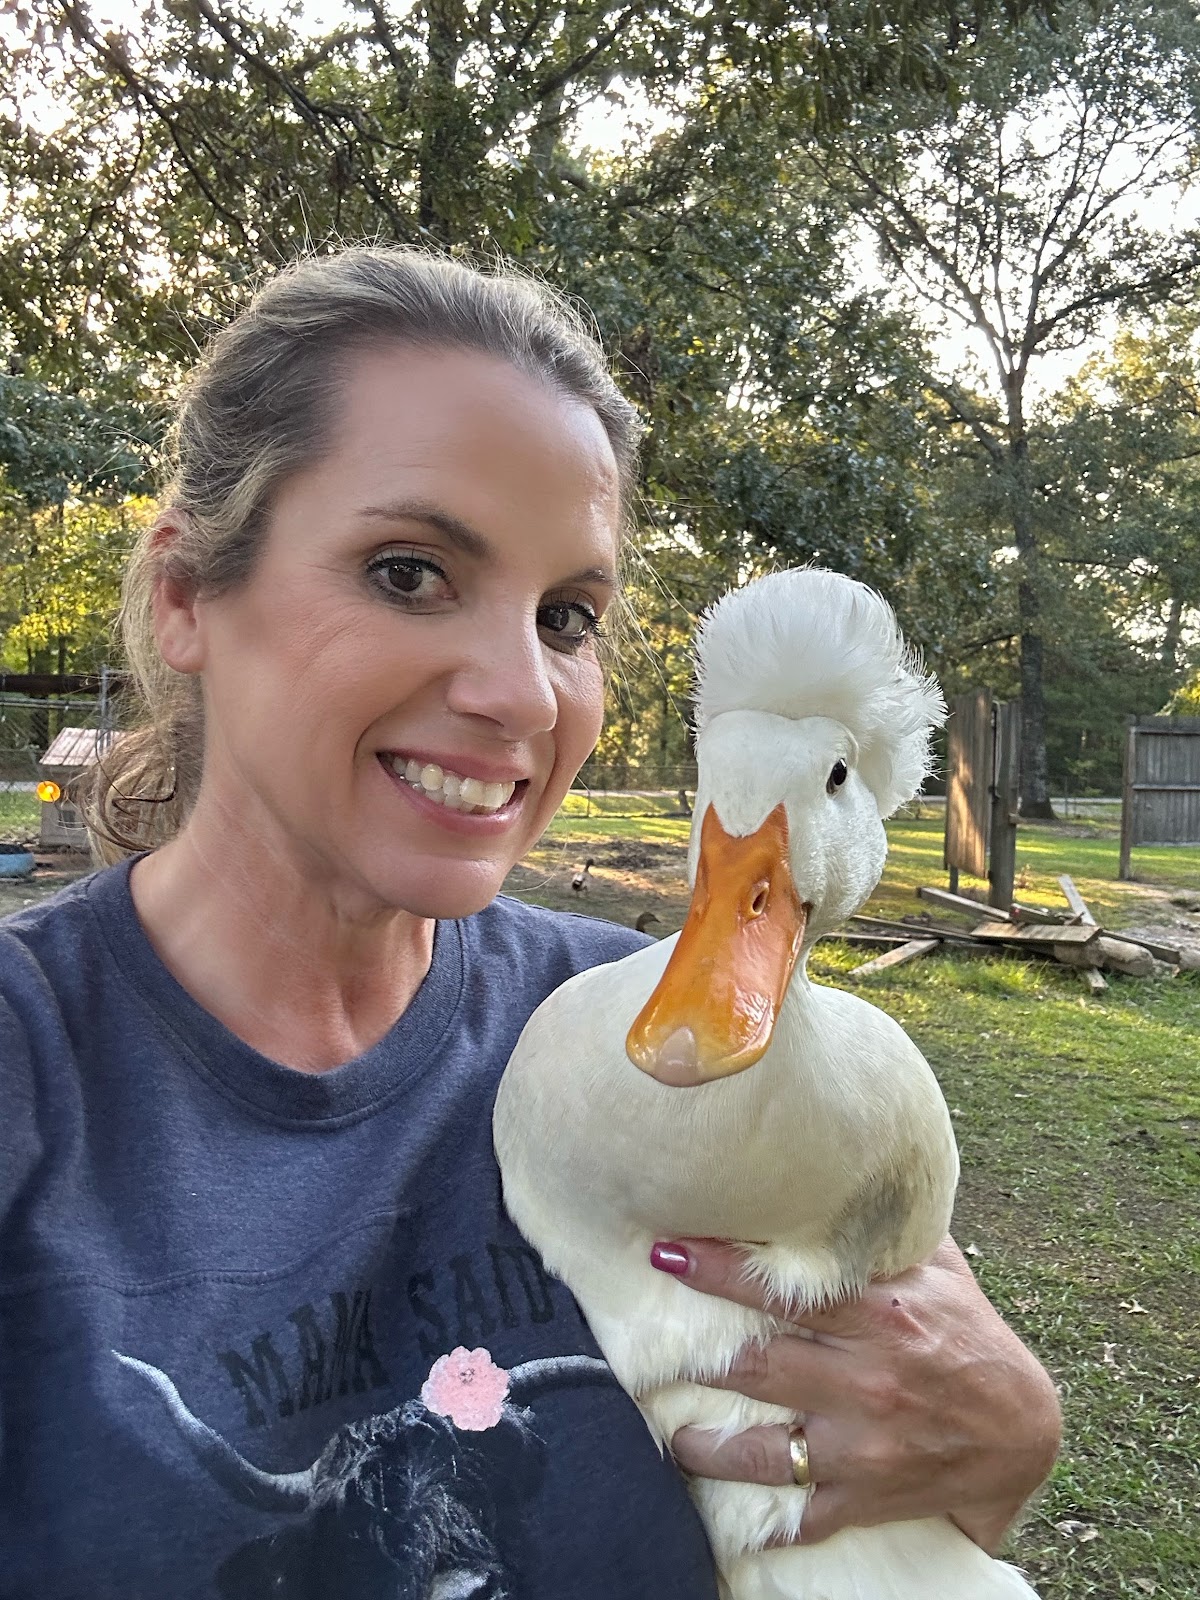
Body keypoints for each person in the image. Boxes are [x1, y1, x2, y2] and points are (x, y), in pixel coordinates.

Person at [0, 247, 1060, 1598]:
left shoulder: (655, 1036)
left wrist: (1005, 1440)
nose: (523, 694)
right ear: (185, 597)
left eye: (567, 616)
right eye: (408, 573)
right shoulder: (32, 1067)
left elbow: (922, 1454)